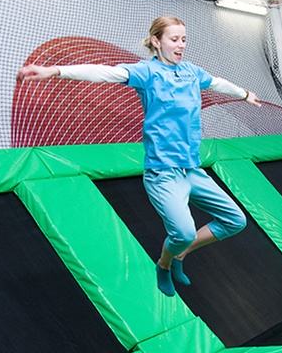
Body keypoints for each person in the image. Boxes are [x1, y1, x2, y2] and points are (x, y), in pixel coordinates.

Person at [16, 16, 262, 296]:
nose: (181, 45)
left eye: (183, 39)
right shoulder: (147, 73)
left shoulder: (191, 72)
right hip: (163, 174)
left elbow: (216, 83)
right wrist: (54, 71)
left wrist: (245, 94)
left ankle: (181, 254)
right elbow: (104, 73)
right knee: (182, 233)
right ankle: (165, 264)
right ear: (157, 42)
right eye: (174, 39)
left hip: (192, 170)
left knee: (235, 221)